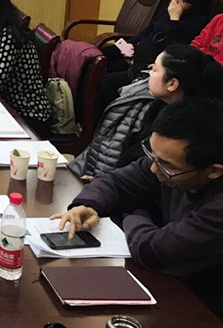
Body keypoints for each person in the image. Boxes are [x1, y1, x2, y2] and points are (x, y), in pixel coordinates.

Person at [52, 98, 223, 318]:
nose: (153, 169)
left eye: (165, 165)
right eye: (153, 156)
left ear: (214, 171)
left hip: (202, 307)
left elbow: (151, 250)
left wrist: (134, 213)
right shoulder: (170, 164)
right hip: (169, 282)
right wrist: (87, 204)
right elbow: (115, 181)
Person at [70, 44, 223, 180]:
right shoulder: (151, 104)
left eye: (154, 69)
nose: (149, 73)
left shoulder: (186, 129)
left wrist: (102, 183)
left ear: (172, 84)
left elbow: (143, 177)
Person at [96, 0, 213, 112]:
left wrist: (174, 20)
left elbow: (173, 49)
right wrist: (131, 44)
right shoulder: (168, 9)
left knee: (110, 78)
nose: (175, 0)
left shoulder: (197, 23)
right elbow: (149, 29)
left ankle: (99, 117)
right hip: (138, 51)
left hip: (152, 61)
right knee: (100, 55)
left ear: (194, 5)